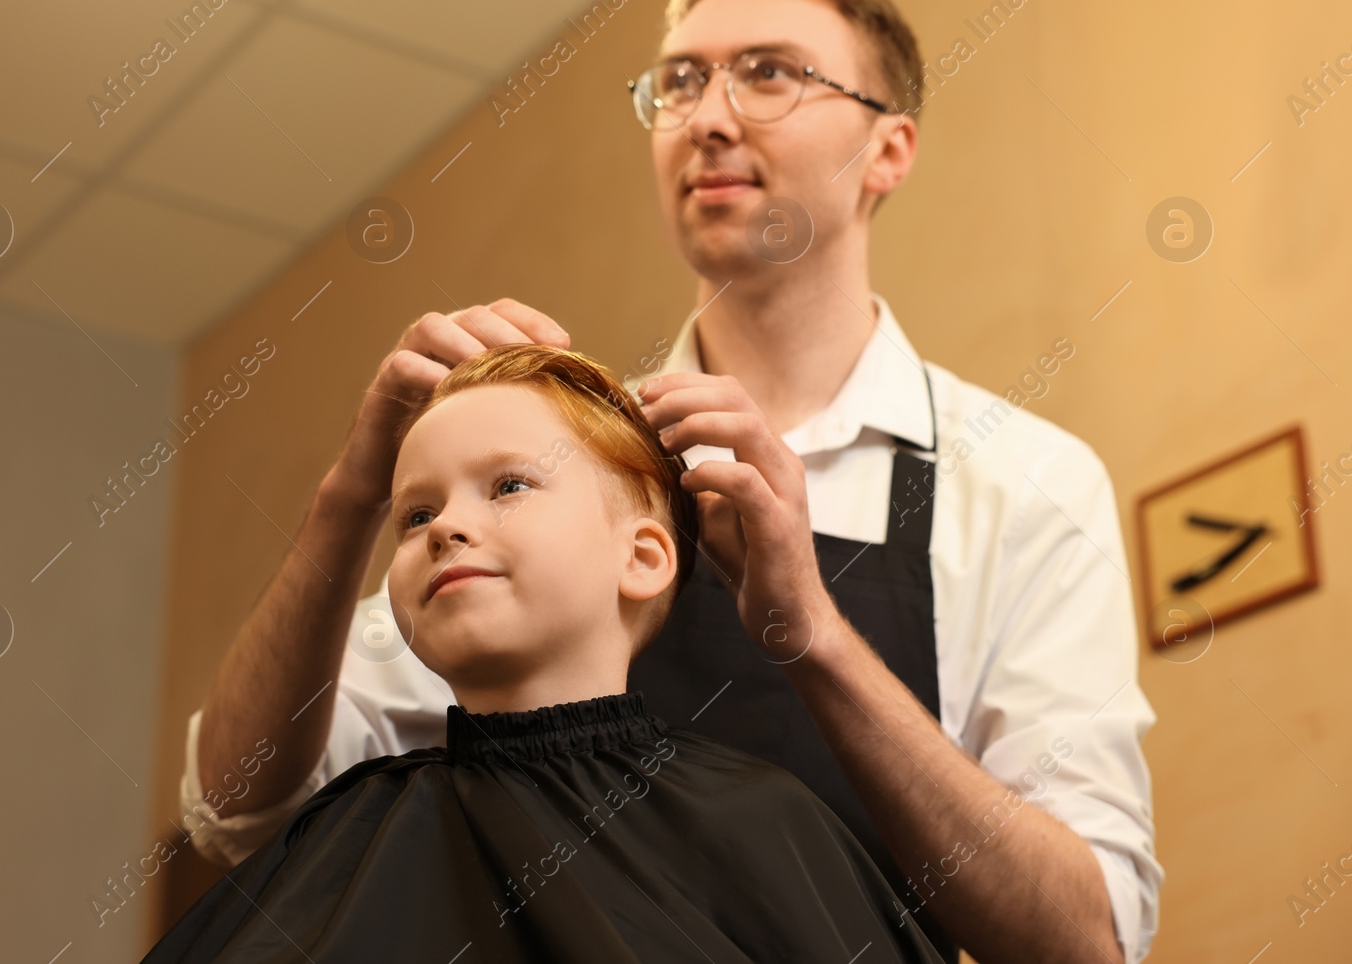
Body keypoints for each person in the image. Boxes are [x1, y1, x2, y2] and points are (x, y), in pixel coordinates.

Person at [182, 0, 1161, 964]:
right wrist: (351, 495)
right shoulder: (554, 462)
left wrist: (812, 635)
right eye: (680, 81)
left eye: (770, 74)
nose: (708, 115)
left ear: (888, 150)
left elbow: (1083, 941)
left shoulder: (1021, 482)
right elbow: (236, 808)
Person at [147, 345, 944, 963]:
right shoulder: (353, 833)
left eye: (507, 487)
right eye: (416, 512)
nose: (445, 528)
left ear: (643, 557)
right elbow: (225, 810)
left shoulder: (766, 823)